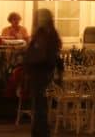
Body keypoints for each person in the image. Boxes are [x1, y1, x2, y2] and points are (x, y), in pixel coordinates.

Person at [24, 9, 63, 137]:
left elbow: (46, 55)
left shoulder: (44, 34)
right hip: (42, 72)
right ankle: (39, 130)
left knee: (39, 104)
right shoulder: (49, 34)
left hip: (40, 72)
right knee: (39, 103)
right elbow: (54, 54)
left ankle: (41, 131)